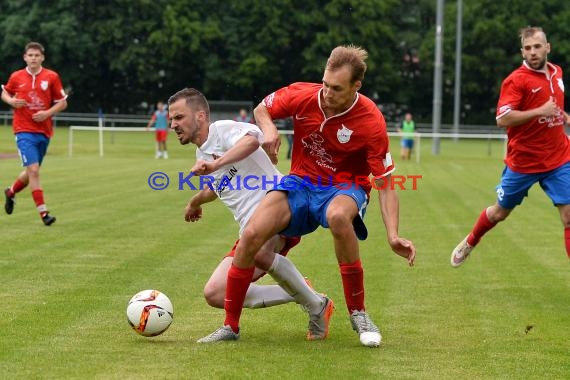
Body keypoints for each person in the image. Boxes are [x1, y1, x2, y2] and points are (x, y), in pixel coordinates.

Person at [198, 45, 416, 347]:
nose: (326, 93)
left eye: (336, 88)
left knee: (339, 217)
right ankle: (230, 327)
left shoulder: (370, 120)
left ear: (356, 86)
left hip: (344, 186)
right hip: (300, 182)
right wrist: (270, 130)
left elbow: (386, 183)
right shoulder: (304, 95)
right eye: (325, 83)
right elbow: (263, 107)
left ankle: (359, 314)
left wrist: (393, 235)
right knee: (251, 235)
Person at [167, 88, 333, 342]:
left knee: (259, 251)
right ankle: (304, 292)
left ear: (200, 116)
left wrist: (216, 163)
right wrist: (195, 202)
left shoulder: (221, 130)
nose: (173, 124)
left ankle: (307, 303)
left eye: (178, 117)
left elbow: (252, 141)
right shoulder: (201, 153)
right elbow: (215, 186)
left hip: (278, 208)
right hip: (250, 231)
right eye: (171, 119)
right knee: (215, 293)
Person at [451, 26, 570, 267]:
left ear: (548, 48)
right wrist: (540, 112)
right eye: (528, 48)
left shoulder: (557, 71)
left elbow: (552, 104)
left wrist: (562, 115)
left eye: (537, 46)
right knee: (499, 213)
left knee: (569, 216)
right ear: (522, 52)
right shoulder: (516, 80)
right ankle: (471, 240)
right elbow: (502, 118)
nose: (533, 52)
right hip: (523, 162)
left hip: (558, 159)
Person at [1, 41, 68, 225]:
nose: (33, 58)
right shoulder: (16, 76)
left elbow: (62, 102)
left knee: (30, 171)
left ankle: (11, 192)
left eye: (37, 55)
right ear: (25, 57)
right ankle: (44, 214)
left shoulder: (51, 77)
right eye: (30, 55)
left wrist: (47, 113)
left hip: (44, 132)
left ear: (42, 58)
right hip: (23, 130)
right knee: (34, 170)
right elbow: (4, 92)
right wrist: (11, 102)